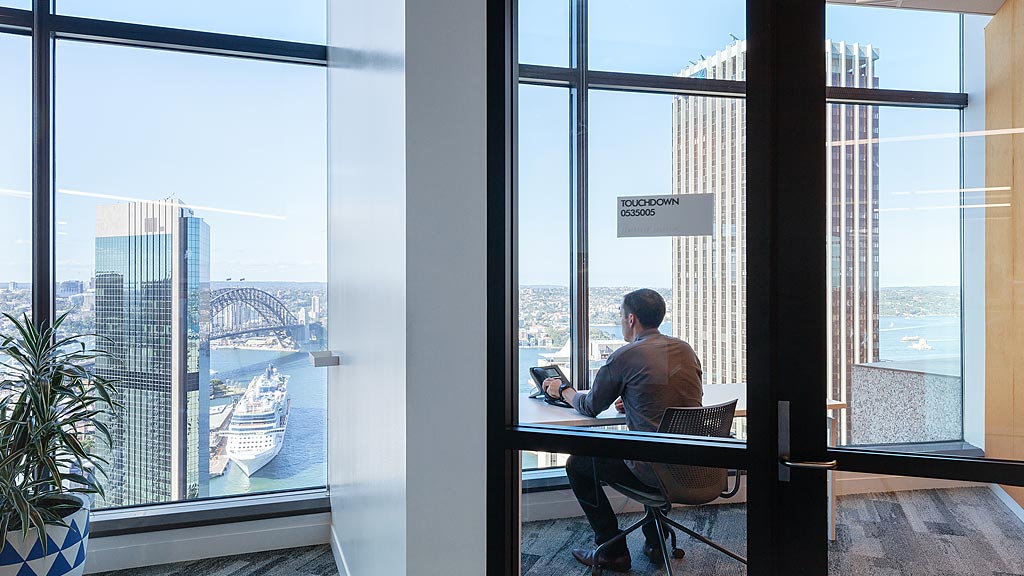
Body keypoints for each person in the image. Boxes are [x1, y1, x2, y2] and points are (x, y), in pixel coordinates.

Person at [543, 288, 703, 572]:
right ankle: (656, 543)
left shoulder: (625, 356)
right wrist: (633, 400)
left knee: (578, 464)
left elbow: (590, 405)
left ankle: (612, 550)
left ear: (631, 319)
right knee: (656, 446)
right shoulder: (684, 349)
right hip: (693, 466)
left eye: (619, 316)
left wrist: (563, 390)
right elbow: (675, 398)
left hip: (653, 471)